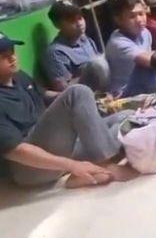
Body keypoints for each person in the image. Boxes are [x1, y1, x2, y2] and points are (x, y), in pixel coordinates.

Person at [0, 32, 132, 188]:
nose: (12, 58)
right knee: (78, 92)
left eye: (12, 52)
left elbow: (45, 95)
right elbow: (16, 151)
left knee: (126, 117)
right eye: (3, 56)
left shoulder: (19, 76)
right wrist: (71, 165)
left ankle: (82, 174)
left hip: (55, 147)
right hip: (28, 168)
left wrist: (90, 102)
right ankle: (104, 164)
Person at [44, 0, 109, 92]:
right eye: (71, 21)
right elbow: (64, 91)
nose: (79, 24)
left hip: (107, 91)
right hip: (87, 97)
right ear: (57, 24)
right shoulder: (55, 53)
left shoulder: (86, 40)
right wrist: (89, 73)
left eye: (80, 18)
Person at [106, 0, 156, 97]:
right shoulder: (117, 43)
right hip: (125, 93)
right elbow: (150, 61)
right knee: (148, 68)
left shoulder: (145, 33)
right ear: (118, 20)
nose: (139, 20)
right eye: (132, 16)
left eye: (141, 14)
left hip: (145, 84)